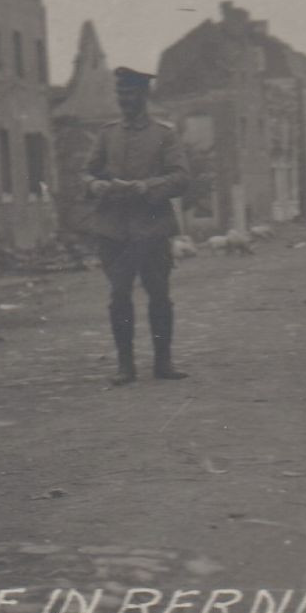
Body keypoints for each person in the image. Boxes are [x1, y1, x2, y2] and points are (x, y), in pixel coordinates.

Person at [82, 66, 191, 385]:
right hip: (113, 229)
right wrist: (94, 186)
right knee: (118, 296)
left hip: (152, 227)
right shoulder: (107, 133)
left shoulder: (164, 134)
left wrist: (148, 187)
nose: (124, 100)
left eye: (130, 94)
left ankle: (163, 363)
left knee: (159, 295)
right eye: (120, 94)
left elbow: (182, 177)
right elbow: (87, 172)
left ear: (144, 96)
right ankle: (125, 366)